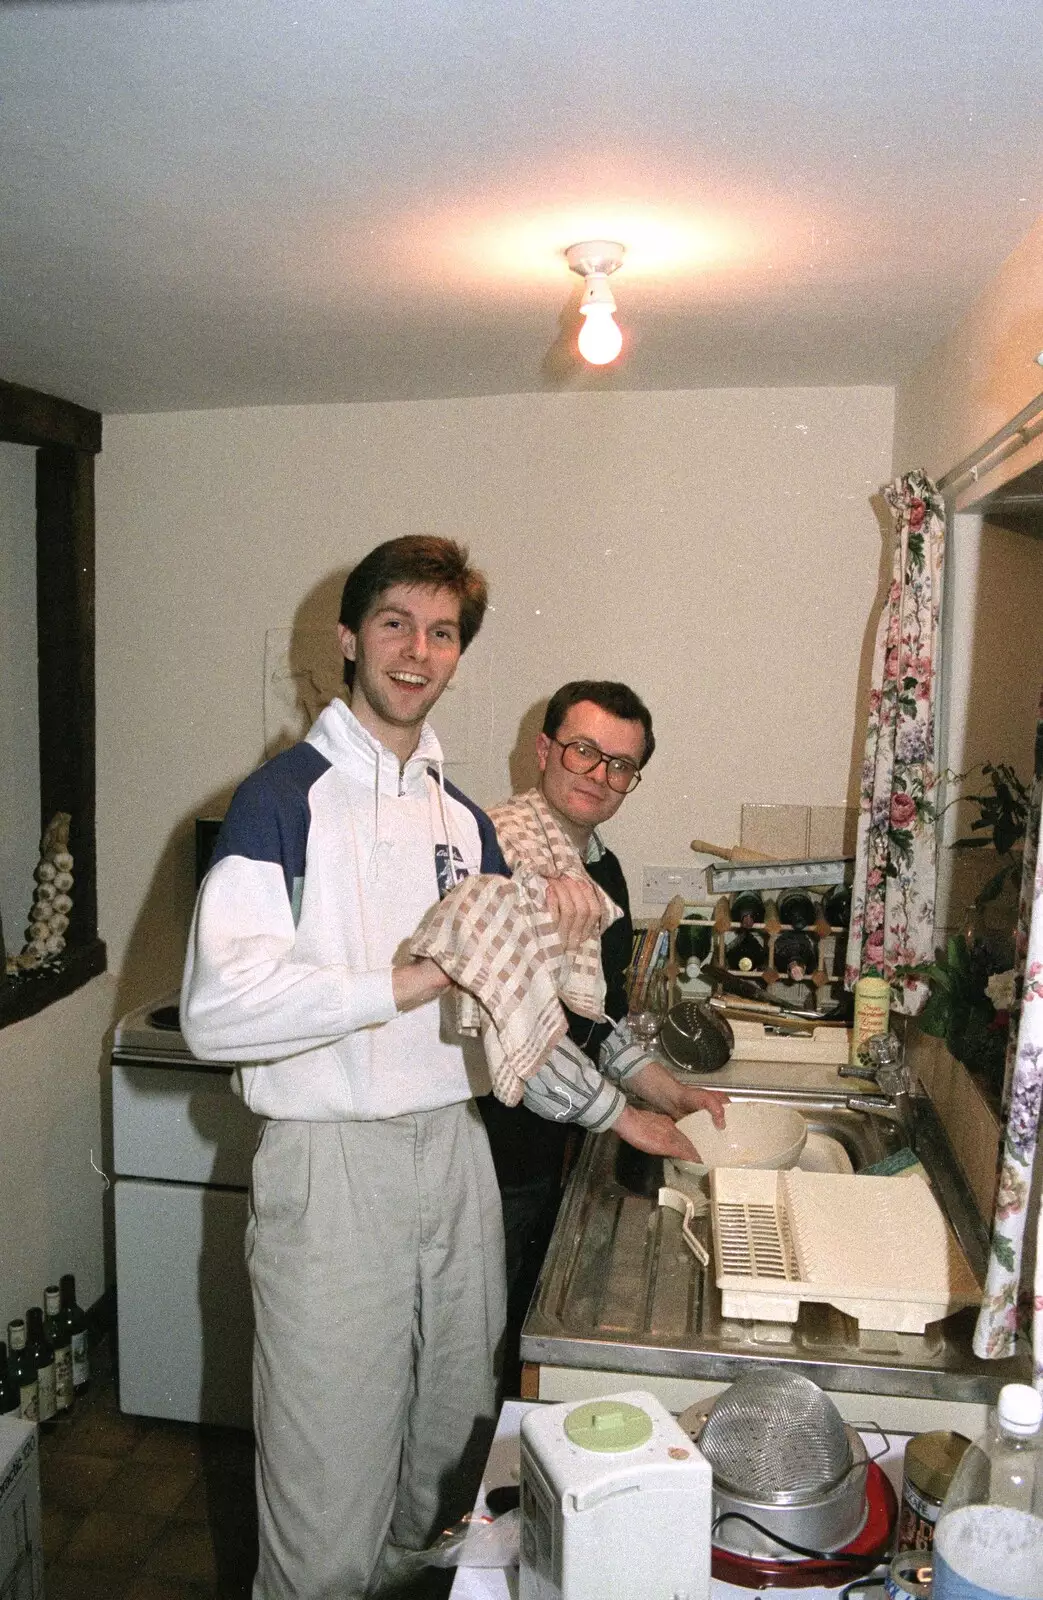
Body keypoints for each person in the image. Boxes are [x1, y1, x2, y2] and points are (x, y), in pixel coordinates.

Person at [180, 537, 602, 1600]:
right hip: (331, 1166)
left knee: (446, 1468)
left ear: (459, 655)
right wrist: (402, 980)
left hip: (451, 1155)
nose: (418, 651)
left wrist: (554, 942)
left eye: (443, 632)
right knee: (326, 1500)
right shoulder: (282, 799)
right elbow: (215, 1012)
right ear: (347, 640)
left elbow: (507, 1003)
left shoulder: (461, 820)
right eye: (395, 624)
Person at [480, 681, 729, 1383]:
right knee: (476, 1346)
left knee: (514, 1330)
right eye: (583, 751)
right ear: (543, 749)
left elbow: (601, 1024)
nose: (598, 775)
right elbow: (514, 1028)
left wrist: (669, 1092)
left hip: (545, 1143)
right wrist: (624, 1118)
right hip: (486, 1154)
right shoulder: (496, 856)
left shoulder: (601, 872)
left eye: (619, 764)